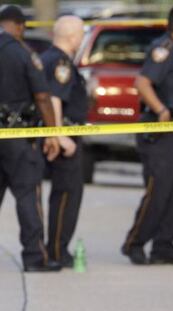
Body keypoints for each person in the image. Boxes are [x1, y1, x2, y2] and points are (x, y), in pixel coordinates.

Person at [121, 5, 173, 265]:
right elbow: (142, 83)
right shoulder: (163, 49)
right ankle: (134, 243)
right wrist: (160, 109)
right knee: (159, 191)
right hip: (161, 132)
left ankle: (163, 247)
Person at [0, 5, 61, 272]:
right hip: (18, 137)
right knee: (27, 196)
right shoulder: (22, 53)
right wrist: (53, 133)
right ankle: (35, 257)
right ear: (21, 26)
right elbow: (43, 97)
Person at [40, 16, 88, 268]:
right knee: (67, 195)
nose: (82, 39)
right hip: (65, 136)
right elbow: (55, 100)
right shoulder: (61, 62)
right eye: (81, 34)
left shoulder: (47, 57)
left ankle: (57, 248)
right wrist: (60, 136)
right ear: (72, 37)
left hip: (62, 133)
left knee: (65, 194)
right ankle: (58, 250)